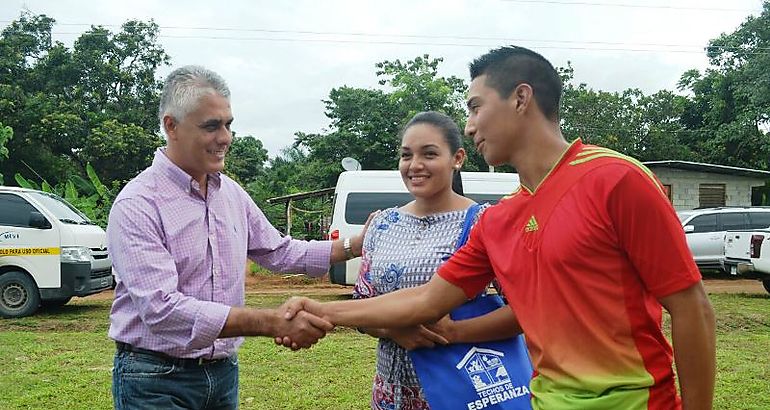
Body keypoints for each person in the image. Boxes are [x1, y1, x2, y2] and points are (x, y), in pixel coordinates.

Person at [280, 46, 716, 410]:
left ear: (521, 98)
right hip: (542, 400)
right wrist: (323, 310)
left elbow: (690, 306)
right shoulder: (500, 218)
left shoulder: (616, 179)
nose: (468, 126)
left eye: (475, 107)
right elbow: (427, 301)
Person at [107, 65, 366, 410]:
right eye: (211, 126)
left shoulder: (229, 193)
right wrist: (271, 321)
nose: (225, 137)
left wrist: (355, 244)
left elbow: (279, 251)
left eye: (228, 124)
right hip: (155, 378)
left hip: (223, 373)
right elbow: (162, 310)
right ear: (171, 126)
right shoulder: (138, 204)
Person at [351, 111, 521, 409]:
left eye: (428, 154)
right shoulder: (382, 224)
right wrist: (393, 329)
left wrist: (454, 333)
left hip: (461, 390)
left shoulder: (485, 222)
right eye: (406, 155)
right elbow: (361, 304)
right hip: (390, 393)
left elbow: (524, 311)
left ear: (457, 158)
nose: (414, 165)